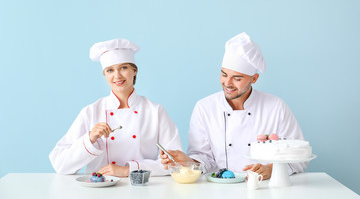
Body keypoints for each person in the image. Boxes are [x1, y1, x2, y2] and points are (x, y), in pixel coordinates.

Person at [161, 32, 307, 180]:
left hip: (263, 189)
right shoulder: (204, 108)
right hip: (219, 188)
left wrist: (270, 169)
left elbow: (300, 158)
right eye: (224, 75)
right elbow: (205, 159)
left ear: (254, 78)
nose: (228, 83)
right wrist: (187, 161)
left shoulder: (276, 107)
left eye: (237, 78)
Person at [49, 38, 182, 176]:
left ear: (134, 71)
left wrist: (128, 170)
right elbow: (60, 164)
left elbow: (175, 162)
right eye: (110, 70)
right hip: (100, 191)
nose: (117, 76)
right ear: (105, 74)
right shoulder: (91, 112)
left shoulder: (155, 111)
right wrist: (90, 139)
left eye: (123, 68)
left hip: (143, 189)